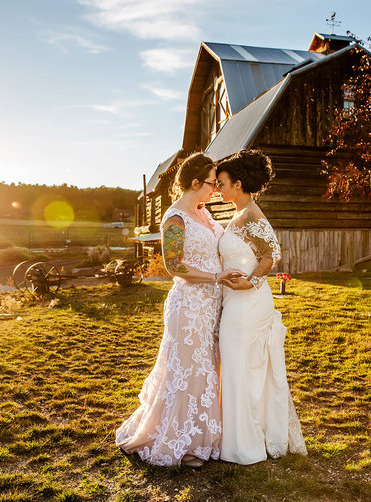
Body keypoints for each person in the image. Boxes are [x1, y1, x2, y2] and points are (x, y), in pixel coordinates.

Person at [116, 152, 242, 467]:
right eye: (213, 183)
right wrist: (216, 277)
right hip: (188, 306)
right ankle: (179, 442)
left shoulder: (207, 214)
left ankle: (203, 435)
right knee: (188, 372)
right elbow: (174, 266)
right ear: (196, 182)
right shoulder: (175, 218)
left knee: (209, 370)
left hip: (212, 304)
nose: (216, 189)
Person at [216, 149, 307, 465]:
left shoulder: (252, 215)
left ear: (238, 184)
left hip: (248, 304)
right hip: (236, 302)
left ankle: (248, 442)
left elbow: (272, 254)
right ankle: (241, 437)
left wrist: (250, 283)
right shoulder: (239, 216)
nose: (219, 188)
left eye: (223, 183)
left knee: (244, 367)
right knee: (239, 367)